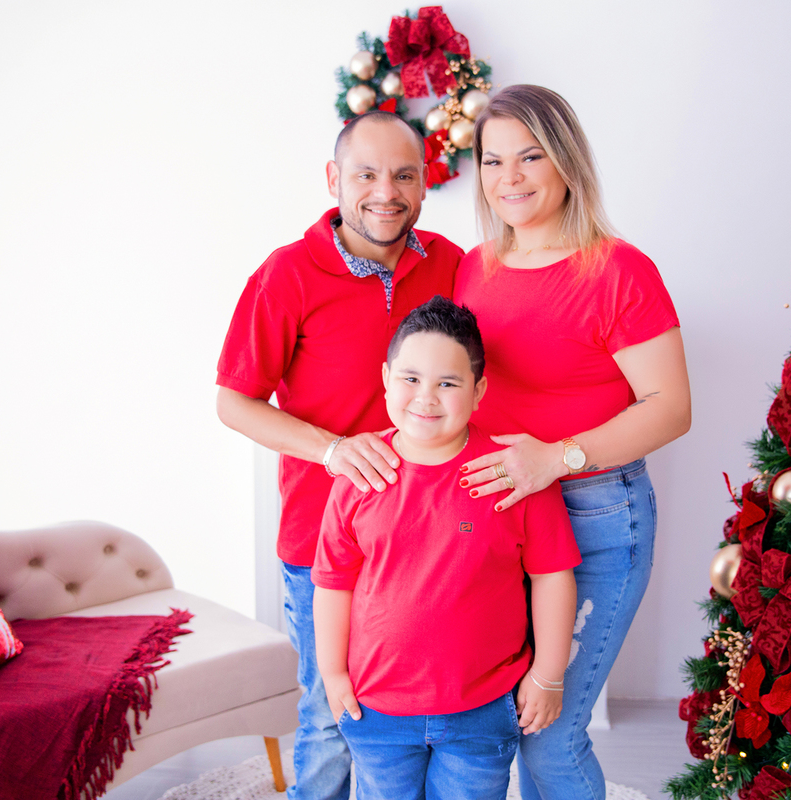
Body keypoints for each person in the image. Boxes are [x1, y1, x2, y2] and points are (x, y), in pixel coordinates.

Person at [215, 111, 463, 800]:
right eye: (366, 174)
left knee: (426, 713)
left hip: (433, 541)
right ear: (334, 180)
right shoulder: (286, 274)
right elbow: (234, 401)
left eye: (404, 175)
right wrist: (330, 449)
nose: (386, 191)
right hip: (325, 543)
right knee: (331, 712)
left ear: (423, 184)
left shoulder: (451, 265)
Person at [454, 85, 692, 800]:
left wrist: (555, 459)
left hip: (594, 519)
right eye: (493, 161)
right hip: (500, 520)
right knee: (499, 718)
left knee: (551, 737)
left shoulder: (618, 269)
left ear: (566, 162)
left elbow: (671, 407)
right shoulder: (474, 266)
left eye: (530, 157)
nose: (511, 178)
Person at [311, 296, 581, 800]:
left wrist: (548, 674)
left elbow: (552, 575)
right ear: (387, 377)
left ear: (478, 390)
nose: (426, 398)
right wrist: (331, 673)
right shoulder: (359, 474)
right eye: (411, 379)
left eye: (448, 383)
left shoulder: (516, 472)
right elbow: (332, 582)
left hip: (481, 710)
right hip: (376, 709)